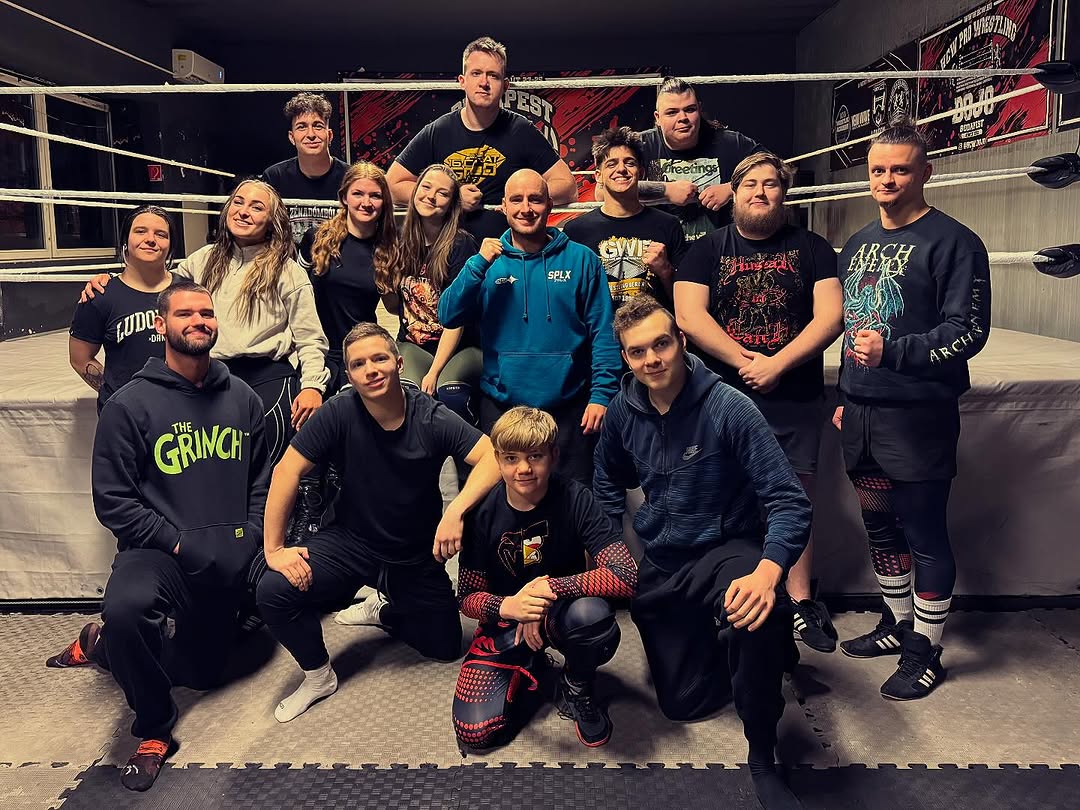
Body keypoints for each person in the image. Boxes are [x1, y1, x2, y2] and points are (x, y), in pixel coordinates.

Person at [46, 281, 270, 792]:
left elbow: (262, 478)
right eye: (185, 313)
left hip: (227, 554)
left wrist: (252, 533)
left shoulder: (242, 398)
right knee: (127, 611)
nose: (199, 321)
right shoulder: (129, 405)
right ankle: (152, 730)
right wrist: (178, 543)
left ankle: (101, 647)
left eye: (207, 313)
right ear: (159, 325)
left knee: (204, 674)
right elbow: (114, 502)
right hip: (159, 554)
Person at [594, 295, 810, 810]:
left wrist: (767, 573)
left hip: (727, 549)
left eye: (661, 344)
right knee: (681, 705)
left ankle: (763, 750)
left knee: (754, 611)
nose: (652, 360)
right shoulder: (623, 412)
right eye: (638, 351)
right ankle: (747, 646)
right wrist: (606, 553)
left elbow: (788, 500)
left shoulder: (728, 407)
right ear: (625, 358)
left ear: (682, 342)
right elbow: (605, 485)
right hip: (665, 562)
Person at [255, 322, 503, 723]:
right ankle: (318, 676)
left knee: (444, 645)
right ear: (349, 374)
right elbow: (286, 471)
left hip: (413, 552)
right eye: (358, 364)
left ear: (398, 363)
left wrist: (456, 510)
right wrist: (274, 549)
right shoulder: (339, 410)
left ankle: (384, 609)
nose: (370, 369)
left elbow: (491, 456)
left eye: (380, 358)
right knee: (274, 590)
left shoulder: (430, 415)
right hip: (351, 543)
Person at [833, 122, 991, 700]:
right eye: (878, 170)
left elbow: (968, 331)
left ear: (925, 172)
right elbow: (854, 324)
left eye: (900, 169)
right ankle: (898, 625)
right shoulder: (858, 242)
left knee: (923, 532)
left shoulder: (955, 242)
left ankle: (927, 648)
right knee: (879, 526)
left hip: (918, 418)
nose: (888, 180)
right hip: (864, 415)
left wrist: (896, 351)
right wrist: (848, 396)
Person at [674, 151, 843, 653]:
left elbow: (830, 316)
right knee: (722, 494)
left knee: (795, 496)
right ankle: (725, 593)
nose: (760, 192)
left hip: (793, 393)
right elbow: (688, 314)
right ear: (734, 191)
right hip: (722, 396)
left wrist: (778, 363)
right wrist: (744, 358)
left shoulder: (813, 248)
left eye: (771, 184)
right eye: (750, 184)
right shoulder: (706, 249)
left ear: (783, 194)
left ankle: (799, 603)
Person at [83, 179, 330, 467]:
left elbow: (310, 338)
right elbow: (156, 283)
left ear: (272, 221)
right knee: (215, 471)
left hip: (268, 381)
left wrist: (313, 385)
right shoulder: (202, 261)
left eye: (256, 206)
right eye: (238, 202)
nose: (244, 211)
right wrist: (111, 281)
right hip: (211, 378)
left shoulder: (288, 272)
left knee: (266, 476)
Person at [452, 406, 637, 750]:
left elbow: (626, 575)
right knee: (475, 733)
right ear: (497, 459)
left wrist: (549, 588)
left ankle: (576, 683)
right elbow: (467, 598)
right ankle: (533, 670)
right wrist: (511, 606)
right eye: (511, 458)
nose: (523, 469)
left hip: (562, 613)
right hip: (504, 621)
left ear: (553, 455)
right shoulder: (481, 512)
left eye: (535, 456)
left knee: (593, 618)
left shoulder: (576, 498)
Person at [438, 169, 621, 485]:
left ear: (550, 205)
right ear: (504, 207)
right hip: (503, 406)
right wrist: (478, 264)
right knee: (497, 501)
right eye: (517, 200)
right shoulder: (485, 262)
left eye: (535, 199)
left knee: (572, 504)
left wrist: (602, 395)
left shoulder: (582, 260)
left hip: (569, 406)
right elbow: (448, 315)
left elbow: (603, 333)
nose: (526, 208)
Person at [387, 36, 577, 239]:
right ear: (462, 81)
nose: (484, 82)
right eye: (476, 73)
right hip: (447, 258)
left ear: (505, 86)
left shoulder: (520, 130)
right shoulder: (439, 130)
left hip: (506, 258)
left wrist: (516, 199)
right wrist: (452, 198)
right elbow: (392, 185)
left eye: (493, 76)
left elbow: (567, 187)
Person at [380, 163, 481, 423]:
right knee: (406, 396)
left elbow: (456, 318)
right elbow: (396, 309)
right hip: (413, 342)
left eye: (442, 193)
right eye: (425, 187)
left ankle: (465, 461)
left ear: (451, 204)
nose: (431, 196)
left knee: (450, 394)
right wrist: (384, 284)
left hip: (460, 346)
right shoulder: (402, 241)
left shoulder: (461, 243)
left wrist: (434, 372)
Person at [299, 161, 397, 394]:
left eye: (375, 196)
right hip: (316, 349)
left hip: (361, 350)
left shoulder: (390, 248)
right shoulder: (316, 238)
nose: (366, 202)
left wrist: (390, 282)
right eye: (358, 194)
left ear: (384, 202)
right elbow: (296, 293)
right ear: (344, 197)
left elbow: (393, 308)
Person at [624, 77, 762, 243]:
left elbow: (780, 169)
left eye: (689, 109)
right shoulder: (641, 145)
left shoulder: (729, 142)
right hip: (660, 252)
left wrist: (733, 188)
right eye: (672, 112)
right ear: (657, 118)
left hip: (720, 250)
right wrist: (665, 191)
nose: (682, 117)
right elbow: (603, 191)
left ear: (699, 109)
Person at [562, 127, 686, 311]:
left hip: (651, 334)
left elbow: (685, 303)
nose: (621, 169)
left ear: (641, 172)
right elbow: (567, 299)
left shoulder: (668, 225)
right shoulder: (576, 231)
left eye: (629, 163)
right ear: (598, 176)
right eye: (611, 164)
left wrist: (665, 270)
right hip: (600, 336)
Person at [69, 206, 176, 412]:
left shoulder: (186, 292)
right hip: (124, 416)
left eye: (161, 234)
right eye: (140, 231)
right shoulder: (99, 295)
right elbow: (79, 358)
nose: (151, 239)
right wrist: (116, 392)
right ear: (126, 241)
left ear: (171, 245)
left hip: (177, 411)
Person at [263, 92, 351, 244]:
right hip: (288, 265)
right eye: (302, 127)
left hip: (338, 264)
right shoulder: (274, 177)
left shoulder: (351, 177)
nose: (311, 134)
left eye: (318, 126)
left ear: (329, 136)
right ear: (292, 137)